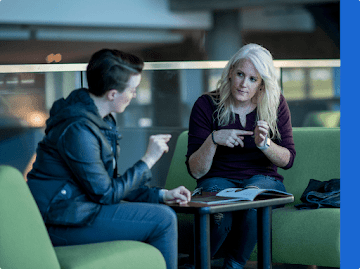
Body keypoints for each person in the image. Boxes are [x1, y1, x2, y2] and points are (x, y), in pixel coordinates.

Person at [27, 48, 191, 269]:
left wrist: (161, 194)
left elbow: (107, 184)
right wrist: (148, 159)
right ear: (113, 94)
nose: (134, 95)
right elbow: (106, 193)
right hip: (60, 222)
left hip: (79, 211)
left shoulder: (100, 120)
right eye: (132, 90)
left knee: (162, 214)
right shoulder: (78, 130)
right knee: (163, 219)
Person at [186, 43, 296, 269]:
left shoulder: (275, 104)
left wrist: (264, 145)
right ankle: (195, 265)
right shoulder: (206, 104)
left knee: (253, 201)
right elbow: (196, 170)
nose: (244, 84)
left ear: (262, 83)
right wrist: (214, 139)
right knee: (218, 215)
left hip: (262, 179)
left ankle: (233, 265)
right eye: (240, 74)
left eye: (253, 79)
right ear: (230, 72)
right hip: (217, 178)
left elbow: (288, 159)